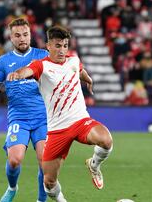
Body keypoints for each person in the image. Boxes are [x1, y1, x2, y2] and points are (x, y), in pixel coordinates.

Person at [7, 26, 113, 202]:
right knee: (49, 183)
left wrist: (89, 79)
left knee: (106, 140)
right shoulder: (42, 66)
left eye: (65, 45)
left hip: (80, 121)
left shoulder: (73, 61)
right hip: (57, 130)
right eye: (57, 45)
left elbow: (79, 70)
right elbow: (27, 71)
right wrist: (17, 74)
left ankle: (94, 165)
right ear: (48, 45)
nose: (62, 50)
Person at [0, 18, 48, 202]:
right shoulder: (4, 61)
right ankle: (12, 188)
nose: (22, 38)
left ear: (30, 35)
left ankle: (41, 200)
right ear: (11, 38)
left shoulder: (43, 55)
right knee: (14, 160)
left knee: (45, 163)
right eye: (17, 35)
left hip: (43, 118)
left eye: (25, 34)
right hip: (18, 118)